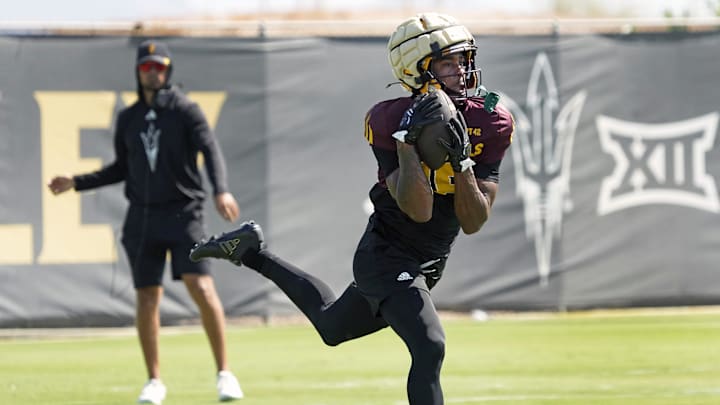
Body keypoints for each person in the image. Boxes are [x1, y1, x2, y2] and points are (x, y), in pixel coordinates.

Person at [190, 12, 513, 405]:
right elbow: (418, 210)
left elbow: (474, 221)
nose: (462, 71)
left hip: (429, 260)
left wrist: (462, 162)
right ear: (418, 69)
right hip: (387, 255)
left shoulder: (490, 120)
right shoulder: (389, 119)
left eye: (464, 60)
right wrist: (408, 145)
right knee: (429, 346)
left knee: (331, 326)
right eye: (449, 62)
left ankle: (251, 252)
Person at [47, 40, 244, 405]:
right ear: (138, 72)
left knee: (201, 289)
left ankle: (225, 374)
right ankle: (154, 381)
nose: (153, 71)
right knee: (147, 298)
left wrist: (221, 190)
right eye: (146, 67)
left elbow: (210, 150)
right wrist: (76, 182)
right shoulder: (129, 118)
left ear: (168, 71)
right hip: (142, 219)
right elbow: (121, 169)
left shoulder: (186, 110)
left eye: (159, 66)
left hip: (184, 214)